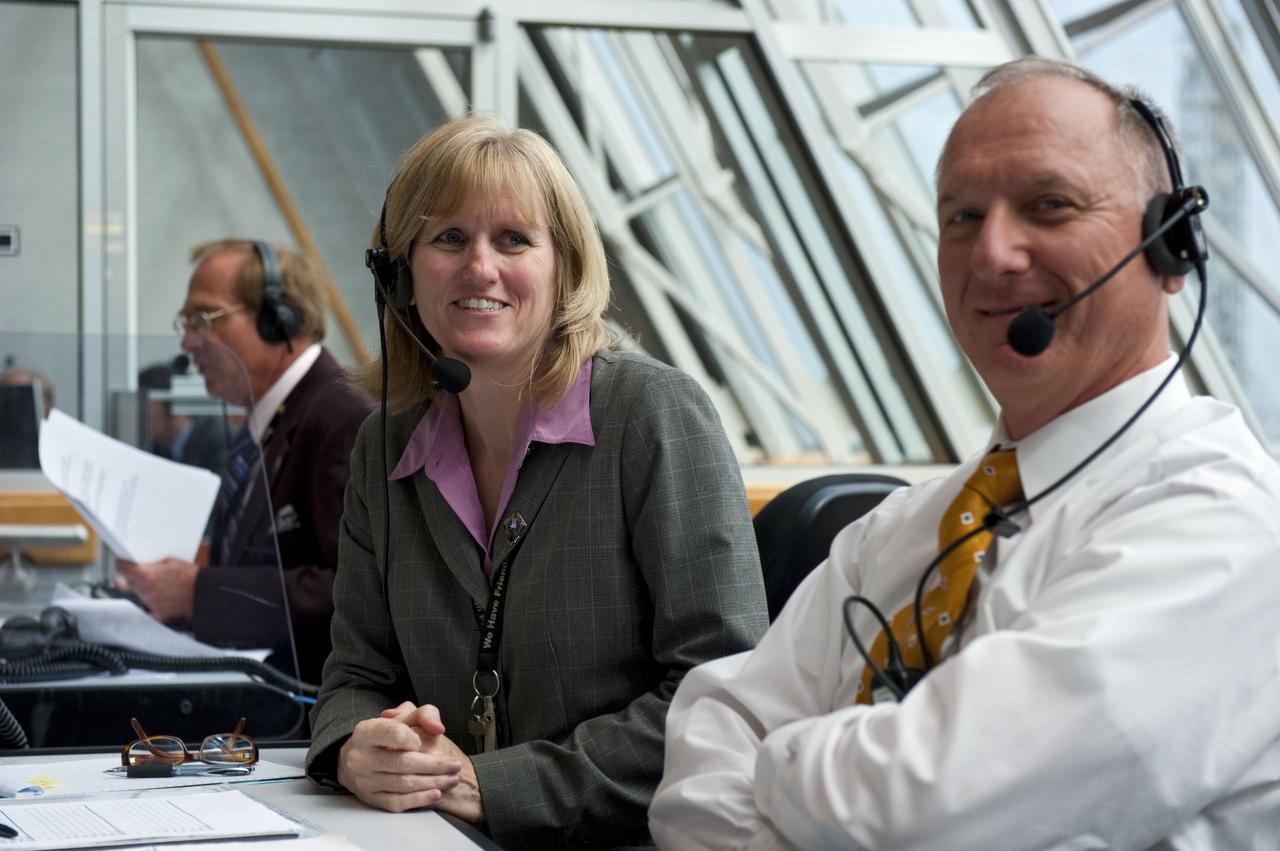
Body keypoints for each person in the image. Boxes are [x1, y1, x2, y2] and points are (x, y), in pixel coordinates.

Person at [649, 57, 1280, 850]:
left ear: (1169, 244)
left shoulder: (1226, 524)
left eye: (1049, 205)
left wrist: (780, 764)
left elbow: (933, 806)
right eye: (961, 217)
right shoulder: (899, 529)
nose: (993, 255)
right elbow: (710, 737)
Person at [305, 114, 769, 849]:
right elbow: (358, 670)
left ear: (565, 267)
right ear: (398, 274)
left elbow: (723, 693)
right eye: (448, 238)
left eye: (514, 240)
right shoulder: (382, 447)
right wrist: (356, 747)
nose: (479, 268)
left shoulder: (651, 416)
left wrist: (494, 785)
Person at [117, 239, 374, 685]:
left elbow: (353, 589)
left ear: (280, 320)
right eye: (186, 322)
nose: (187, 340)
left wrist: (198, 594)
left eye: (204, 318)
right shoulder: (273, 420)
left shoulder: (342, 417)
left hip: (309, 716)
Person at [138, 357, 229, 474]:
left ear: (172, 401)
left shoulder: (218, 442)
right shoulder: (155, 449)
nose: (139, 414)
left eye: (144, 404)